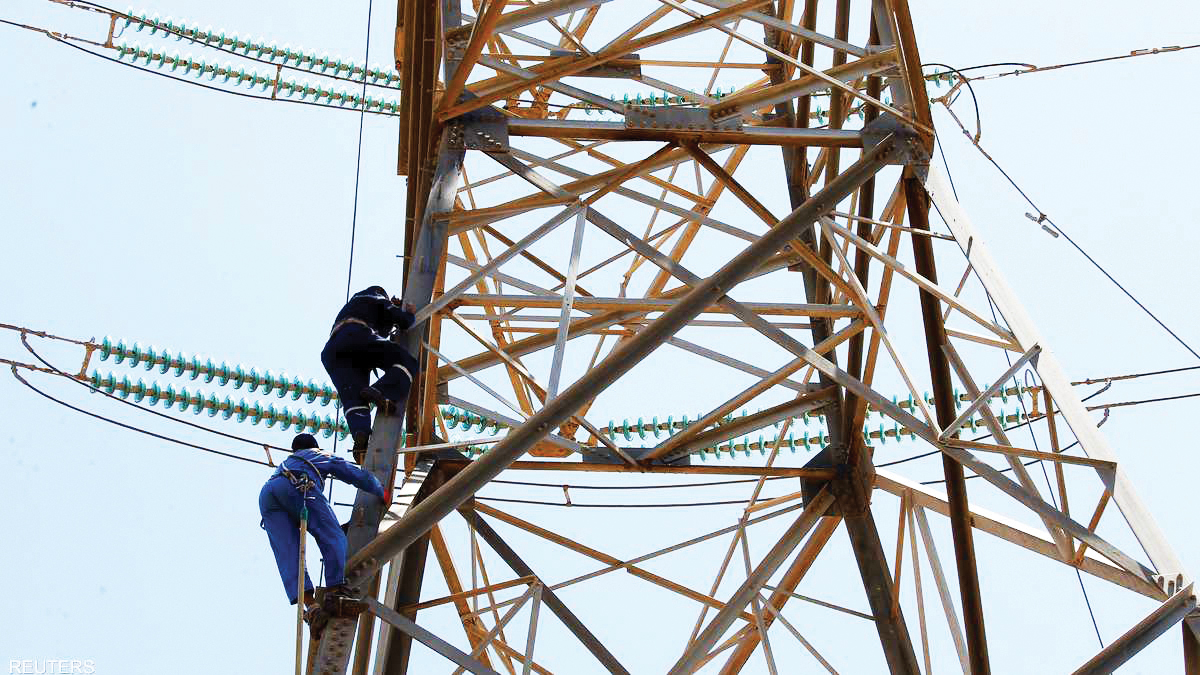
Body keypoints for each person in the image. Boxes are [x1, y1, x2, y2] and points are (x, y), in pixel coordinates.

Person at [259, 433, 387, 632]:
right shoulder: (316, 454)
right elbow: (349, 472)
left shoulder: (288, 462)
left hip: (268, 497)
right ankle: (335, 593)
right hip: (298, 484)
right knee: (333, 536)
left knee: (289, 554)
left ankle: (311, 608)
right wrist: (379, 490)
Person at [321, 285, 421, 463]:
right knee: (407, 363)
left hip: (333, 351)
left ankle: (360, 433)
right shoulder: (375, 296)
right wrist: (408, 314)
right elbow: (402, 321)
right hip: (357, 336)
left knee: (353, 396)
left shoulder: (354, 306)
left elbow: (382, 328)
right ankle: (381, 392)